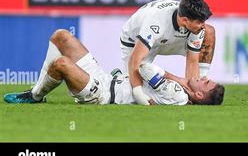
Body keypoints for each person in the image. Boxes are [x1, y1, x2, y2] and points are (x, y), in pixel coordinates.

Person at [3, 29, 224, 106]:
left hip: (101, 95)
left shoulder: (178, 94)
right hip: (105, 78)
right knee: (61, 37)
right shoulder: (182, 90)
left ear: (197, 94)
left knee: (60, 64)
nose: (203, 78)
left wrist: (177, 78)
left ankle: (35, 95)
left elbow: (144, 67)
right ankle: (37, 93)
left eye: (205, 83)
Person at [120, 0, 216, 105]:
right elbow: (134, 60)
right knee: (128, 90)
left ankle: (202, 87)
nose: (203, 26)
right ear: (185, 20)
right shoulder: (156, 22)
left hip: (171, 38)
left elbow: (192, 61)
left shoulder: (194, 25)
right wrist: (138, 93)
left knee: (209, 32)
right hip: (135, 41)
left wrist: (195, 93)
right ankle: (117, 76)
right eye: (200, 22)